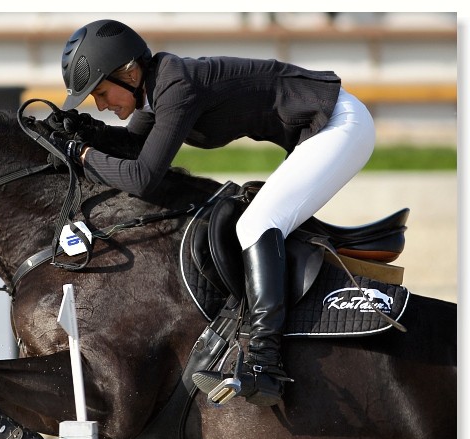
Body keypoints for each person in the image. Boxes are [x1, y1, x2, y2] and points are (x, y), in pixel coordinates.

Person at [50, 19, 376, 406]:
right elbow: (135, 147)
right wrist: (87, 131)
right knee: (257, 220)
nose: (102, 105)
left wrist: (81, 153)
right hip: (324, 127)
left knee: (257, 222)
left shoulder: (176, 86)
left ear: (130, 73)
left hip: (340, 124)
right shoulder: (157, 87)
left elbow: (142, 178)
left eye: (101, 93)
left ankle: (265, 364)